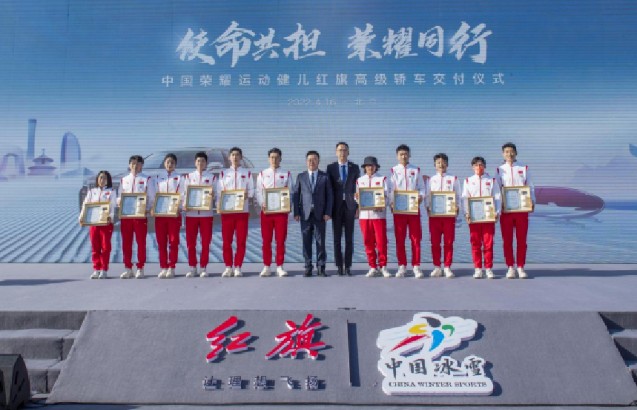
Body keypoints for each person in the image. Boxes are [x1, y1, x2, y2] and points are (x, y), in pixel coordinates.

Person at [496, 142, 535, 279]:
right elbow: (497, 190)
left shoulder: (524, 168)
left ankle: (520, 267)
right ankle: (510, 267)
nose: (509, 154)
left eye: (511, 151)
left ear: (516, 153)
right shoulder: (499, 170)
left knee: (521, 240)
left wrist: (532, 201)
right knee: (507, 240)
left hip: (521, 210)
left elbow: (530, 186)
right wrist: (498, 207)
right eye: (506, 152)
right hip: (506, 211)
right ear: (503, 154)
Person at [388, 144, 426, 278]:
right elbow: (391, 190)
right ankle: (402, 266)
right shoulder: (393, 171)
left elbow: (422, 188)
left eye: (405, 154)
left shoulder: (416, 170)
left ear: (409, 155)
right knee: (400, 238)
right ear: (397, 156)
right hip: (399, 210)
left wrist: (421, 196)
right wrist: (391, 202)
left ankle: (416, 266)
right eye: (401, 154)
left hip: (413, 209)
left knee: (416, 238)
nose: (403, 156)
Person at [293, 150, 333, 277]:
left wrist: (328, 212)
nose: (312, 161)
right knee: (306, 242)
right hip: (305, 215)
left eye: (314, 159)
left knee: (320, 242)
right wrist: (296, 212)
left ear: (318, 161)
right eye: (309, 159)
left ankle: (321, 267)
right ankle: (308, 267)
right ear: (306, 162)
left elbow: (330, 196)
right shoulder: (301, 176)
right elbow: (296, 195)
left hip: (320, 215)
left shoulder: (325, 176)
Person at [216, 147, 254, 277]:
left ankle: (238, 266)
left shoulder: (247, 173)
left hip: (242, 212)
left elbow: (252, 191)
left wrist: (246, 194)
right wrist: (219, 206)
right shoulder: (223, 174)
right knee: (227, 241)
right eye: (232, 155)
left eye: (237, 155)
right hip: (227, 212)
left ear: (241, 157)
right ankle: (228, 266)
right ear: (229, 158)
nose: (235, 157)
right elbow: (219, 193)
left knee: (241, 241)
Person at [256, 148, 294, 277]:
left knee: (280, 240)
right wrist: (262, 202)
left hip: (281, 213)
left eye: (277, 157)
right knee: (266, 240)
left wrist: (288, 204)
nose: (274, 159)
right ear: (268, 159)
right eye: (272, 157)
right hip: (266, 212)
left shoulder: (286, 174)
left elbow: (291, 192)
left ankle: (279, 266)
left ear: (280, 159)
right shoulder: (262, 174)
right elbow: (258, 191)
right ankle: (266, 266)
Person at [461, 156, 501, 279]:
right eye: (476, 165)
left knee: (488, 244)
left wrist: (497, 212)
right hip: (474, 218)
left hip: (488, 217)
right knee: (475, 243)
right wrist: (466, 213)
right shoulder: (468, 181)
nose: (479, 167)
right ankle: (478, 268)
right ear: (472, 167)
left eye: (481, 165)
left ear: (485, 166)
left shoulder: (492, 180)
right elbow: (465, 198)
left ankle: (488, 268)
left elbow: (497, 197)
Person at [326, 142, 360, 276]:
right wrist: (328, 209)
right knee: (337, 238)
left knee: (349, 238)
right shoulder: (331, 168)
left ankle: (348, 265)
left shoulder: (354, 167)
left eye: (345, 150)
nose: (342, 152)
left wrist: (358, 207)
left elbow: (358, 189)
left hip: (350, 206)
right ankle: (339, 265)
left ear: (348, 152)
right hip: (336, 207)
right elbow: (328, 189)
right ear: (336, 152)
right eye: (340, 150)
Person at [119, 155, 155, 279]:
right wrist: (120, 201)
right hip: (126, 216)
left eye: (138, 163)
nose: (135, 166)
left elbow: (151, 197)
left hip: (140, 217)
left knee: (141, 242)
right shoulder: (124, 180)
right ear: (129, 165)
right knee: (126, 243)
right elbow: (120, 196)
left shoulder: (147, 179)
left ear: (142, 165)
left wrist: (147, 209)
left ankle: (140, 268)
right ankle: (128, 268)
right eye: (133, 163)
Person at [425, 153, 460, 279]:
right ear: (435, 165)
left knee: (448, 242)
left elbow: (458, 195)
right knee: (435, 242)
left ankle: (447, 267)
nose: (441, 165)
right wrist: (427, 207)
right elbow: (427, 196)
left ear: (447, 164)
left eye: (443, 162)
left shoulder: (454, 179)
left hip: (448, 216)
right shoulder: (431, 180)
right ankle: (437, 267)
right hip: (434, 216)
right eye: (438, 162)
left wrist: (457, 206)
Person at [355, 156, 391, 278]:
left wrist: (382, 205)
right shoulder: (360, 180)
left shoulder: (382, 179)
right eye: (367, 166)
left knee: (381, 242)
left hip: (379, 216)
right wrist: (357, 198)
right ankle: (372, 266)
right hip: (364, 216)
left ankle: (383, 266)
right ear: (364, 167)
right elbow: (357, 197)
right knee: (367, 241)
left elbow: (388, 196)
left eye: (372, 165)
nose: (370, 167)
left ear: (376, 167)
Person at [183, 151, 216, 278]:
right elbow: (184, 194)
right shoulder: (188, 177)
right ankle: (192, 267)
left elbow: (218, 194)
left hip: (206, 215)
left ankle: (203, 267)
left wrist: (213, 195)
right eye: (198, 161)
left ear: (206, 163)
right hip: (191, 215)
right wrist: (184, 204)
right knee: (191, 243)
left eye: (203, 161)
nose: (200, 163)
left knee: (205, 242)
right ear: (195, 162)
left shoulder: (212, 178)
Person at [79, 170, 117, 279]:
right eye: (100, 178)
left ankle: (104, 269)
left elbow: (113, 206)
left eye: (105, 178)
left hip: (106, 224)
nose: (102, 180)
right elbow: (85, 205)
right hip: (94, 223)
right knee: (95, 247)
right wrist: (81, 218)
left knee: (105, 247)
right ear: (97, 179)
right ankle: (96, 269)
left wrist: (110, 217)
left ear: (108, 180)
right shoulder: (92, 192)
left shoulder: (111, 192)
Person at [153, 153, 183, 279]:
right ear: (164, 163)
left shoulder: (180, 178)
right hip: (160, 215)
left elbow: (183, 195)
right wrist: (153, 208)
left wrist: (179, 207)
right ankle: (163, 267)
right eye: (168, 162)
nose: (170, 164)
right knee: (161, 242)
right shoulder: (157, 178)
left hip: (174, 215)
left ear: (175, 164)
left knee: (173, 241)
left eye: (172, 162)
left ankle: (171, 267)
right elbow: (153, 195)